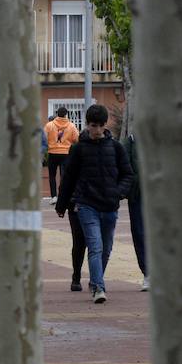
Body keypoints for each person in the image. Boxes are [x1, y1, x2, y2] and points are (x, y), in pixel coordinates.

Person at [55, 104, 133, 303]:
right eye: (92, 125)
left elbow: (128, 174)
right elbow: (69, 178)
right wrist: (62, 205)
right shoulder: (78, 149)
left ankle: (95, 279)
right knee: (95, 246)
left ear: (105, 125)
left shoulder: (116, 148)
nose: (96, 130)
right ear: (87, 125)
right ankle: (99, 287)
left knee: (106, 249)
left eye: (99, 126)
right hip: (86, 205)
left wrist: (119, 192)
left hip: (110, 205)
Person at [123, 133, 148, 291]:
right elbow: (124, 167)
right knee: (139, 232)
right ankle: (148, 273)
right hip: (137, 194)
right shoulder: (131, 140)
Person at [44, 107, 77, 201]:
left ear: (57, 114)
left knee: (52, 175)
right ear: (66, 114)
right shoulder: (71, 126)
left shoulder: (49, 125)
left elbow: (43, 138)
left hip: (53, 152)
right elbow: (76, 139)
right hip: (66, 153)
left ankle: (54, 196)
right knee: (64, 176)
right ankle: (63, 195)